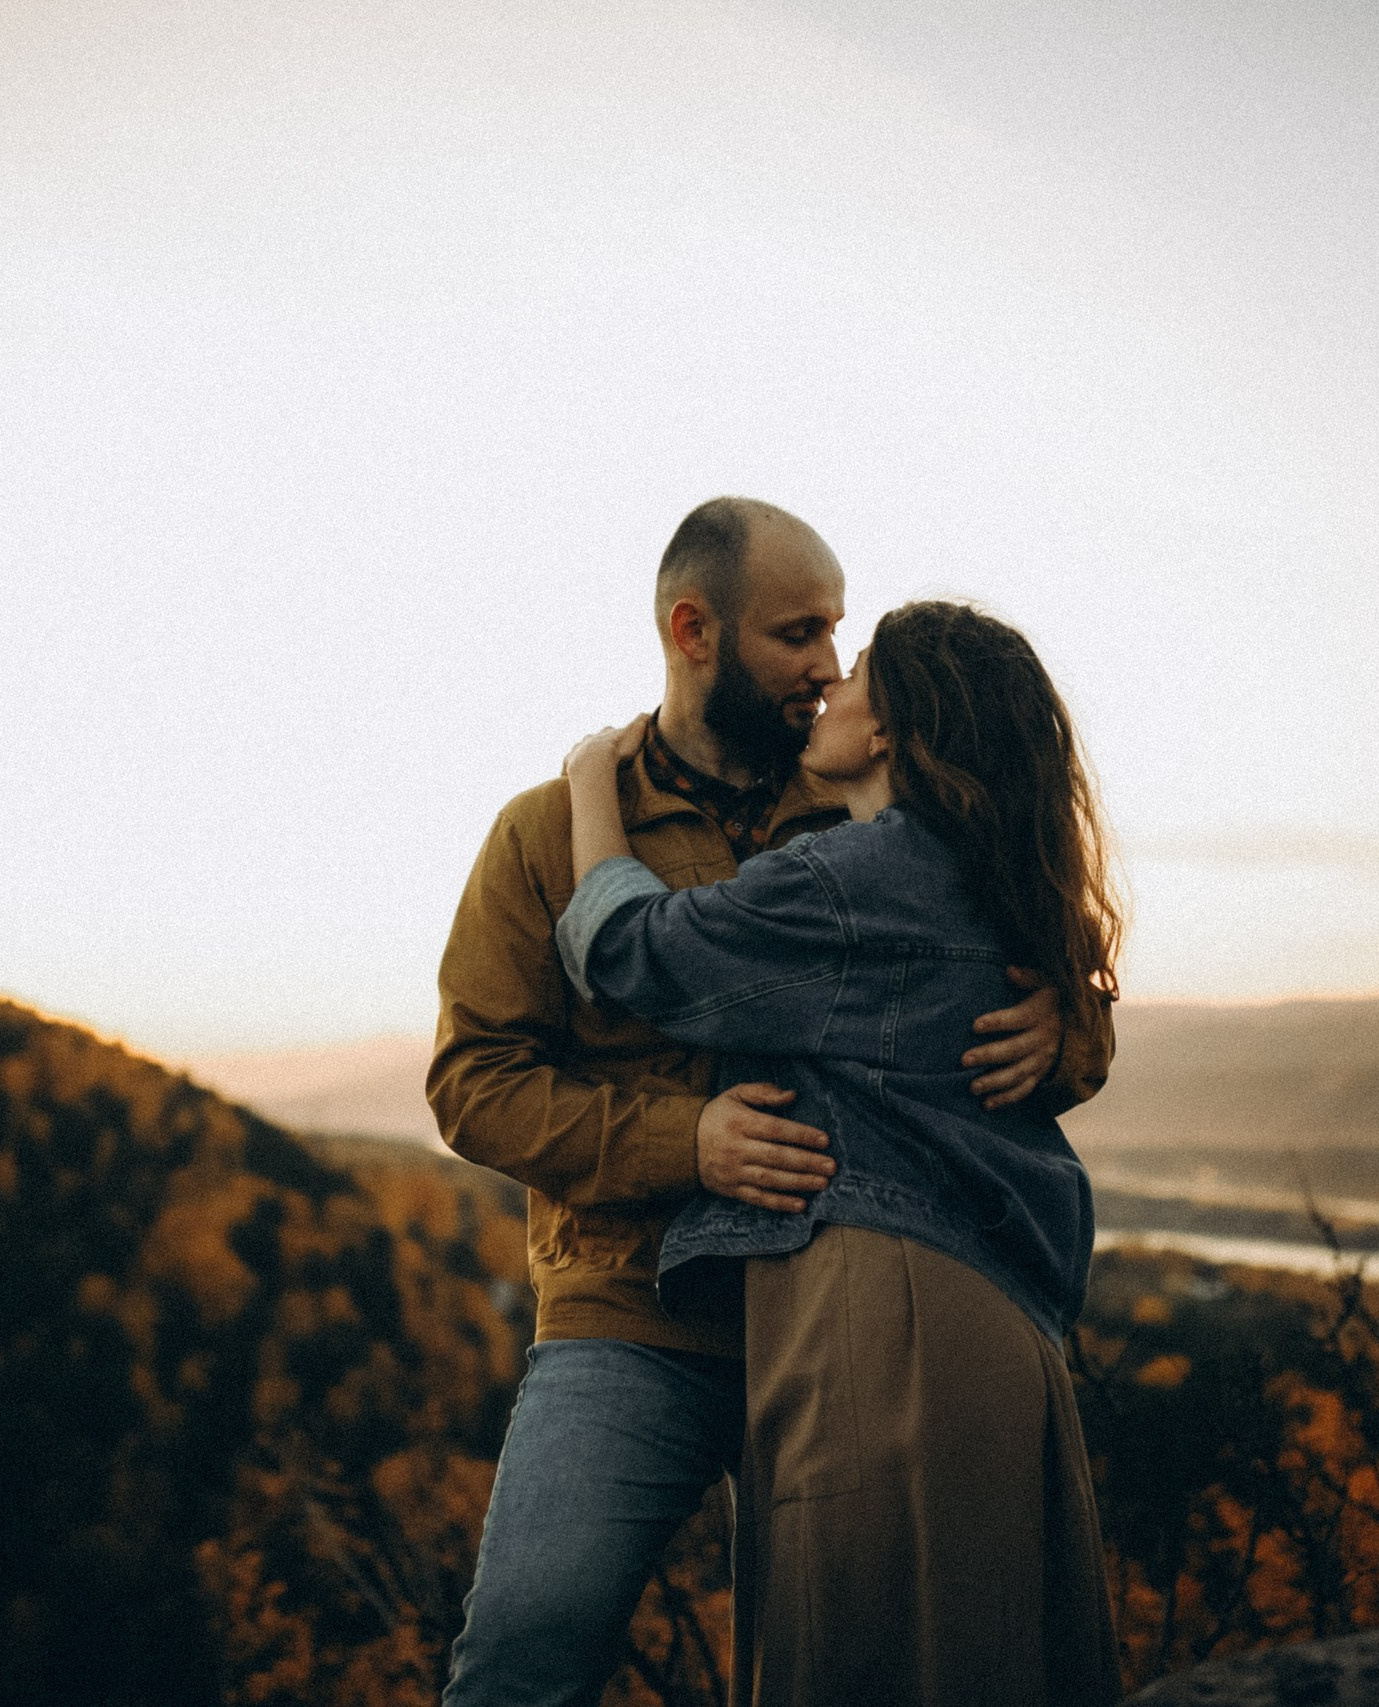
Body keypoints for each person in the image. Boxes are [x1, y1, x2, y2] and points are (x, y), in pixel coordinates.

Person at [428, 499, 1112, 1707]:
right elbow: (473, 1083)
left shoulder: (880, 810)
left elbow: (1017, 961)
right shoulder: (549, 833)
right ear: (694, 630)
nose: (829, 669)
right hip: (636, 1315)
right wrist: (681, 1143)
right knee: (529, 1641)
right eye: (798, 635)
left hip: (839, 1311)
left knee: (833, 1661)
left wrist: (1066, 1023)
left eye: (838, 639)